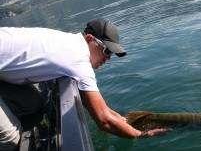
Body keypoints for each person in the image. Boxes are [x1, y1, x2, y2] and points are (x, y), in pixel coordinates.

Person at [0, 19, 167, 150]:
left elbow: (98, 108)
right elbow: (104, 122)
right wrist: (143, 134)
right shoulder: (78, 59)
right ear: (89, 39)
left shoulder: (69, 42)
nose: (107, 58)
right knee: (10, 138)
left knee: (34, 104)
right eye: (106, 50)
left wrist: (119, 118)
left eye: (112, 54)